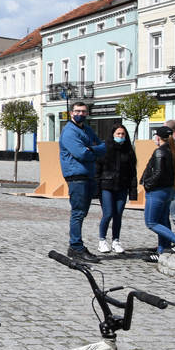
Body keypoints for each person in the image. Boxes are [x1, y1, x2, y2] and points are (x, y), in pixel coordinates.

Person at [59, 102, 106, 261]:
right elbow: (81, 154)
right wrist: (92, 151)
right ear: (72, 113)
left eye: (84, 111)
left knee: (82, 212)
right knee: (78, 213)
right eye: (78, 111)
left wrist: (91, 149)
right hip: (76, 175)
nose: (81, 113)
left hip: (87, 174)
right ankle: (76, 247)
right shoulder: (69, 132)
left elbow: (102, 147)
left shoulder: (87, 129)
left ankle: (76, 246)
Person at [141, 126, 175, 262]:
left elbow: (158, 173)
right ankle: (162, 251)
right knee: (163, 221)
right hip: (169, 190)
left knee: (151, 222)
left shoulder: (160, 151)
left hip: (157, 191)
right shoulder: (174, 150)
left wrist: (147, 184)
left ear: (158, 137)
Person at [95, 124, 136, 254]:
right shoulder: (105, 149)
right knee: (108, 213)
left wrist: (133, 191)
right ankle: (102, 240)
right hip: (106, 186)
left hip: (122, 186)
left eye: (123, 134)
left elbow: (132, 173)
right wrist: (96, 189)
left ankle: (116, 241)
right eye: (118, 134)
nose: (120, 136)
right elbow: (97, 170)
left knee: (118, 214)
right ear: (113, 134)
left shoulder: (128, 150)